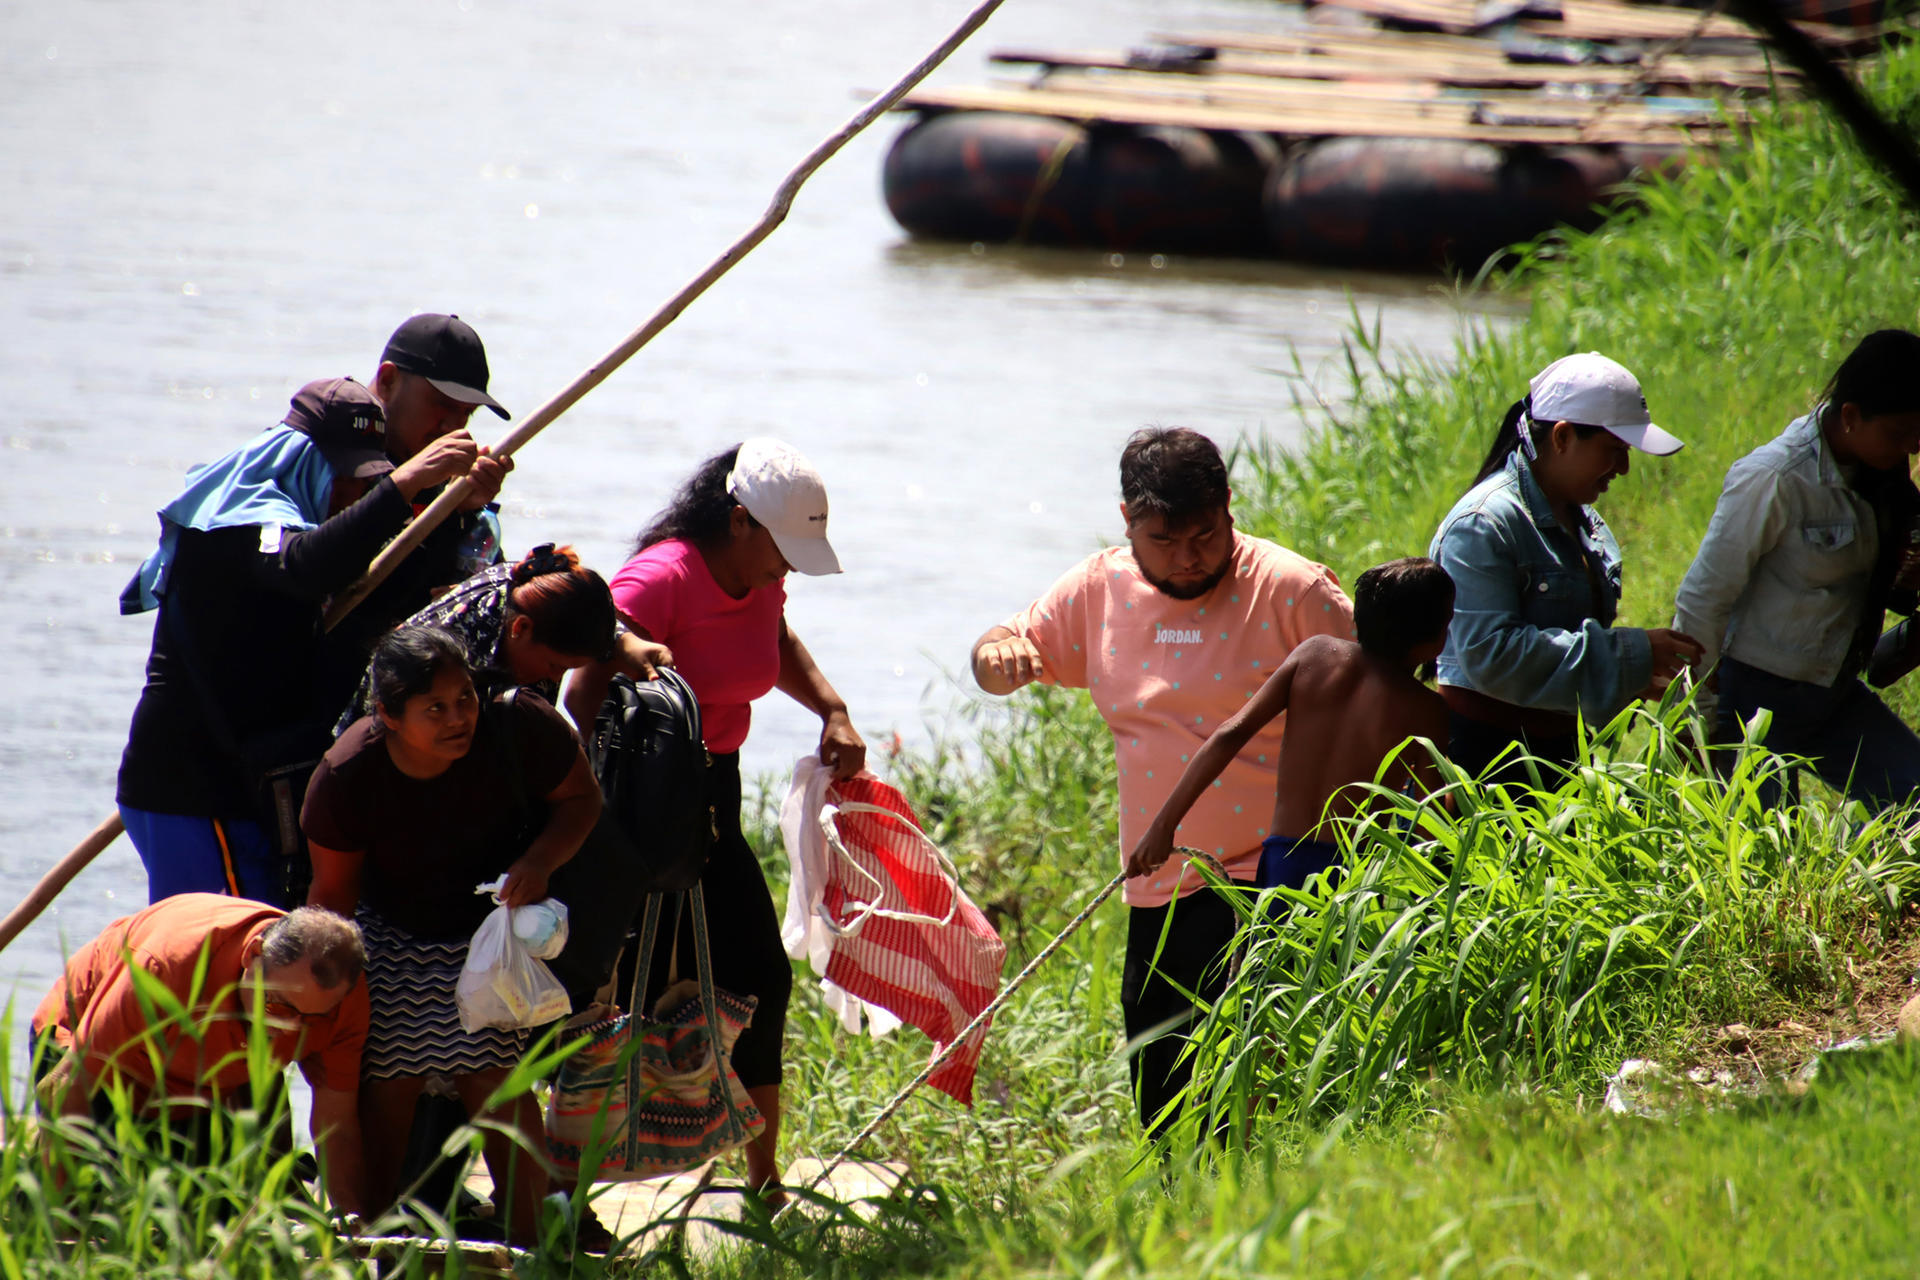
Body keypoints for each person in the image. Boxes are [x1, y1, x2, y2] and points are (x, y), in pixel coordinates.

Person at [970, 426, 1357, 1141]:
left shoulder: (1290, 589)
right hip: (1159, 882)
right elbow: (1001, 646)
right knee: (1161, 1090)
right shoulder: (1099, 587)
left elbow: (1376, 692)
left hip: (1273, 875)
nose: (1188, 559)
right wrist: (998, 657)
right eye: (1164, 541)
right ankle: (1184, 1220)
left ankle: (1258, 1211)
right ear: (1127, 523)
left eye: (1206, 537)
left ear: (1230, 507)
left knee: (1254, 1088)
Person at [117, 313, 514, 907]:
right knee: (210, 972)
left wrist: (451, 514)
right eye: (348, 477)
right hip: (192, 783)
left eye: (367, 481)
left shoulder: (310, 517)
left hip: (248, 783)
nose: (353, 493)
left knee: (251, 964)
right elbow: (307, 567)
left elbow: (376, 598)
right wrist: (402, 487)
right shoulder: (250, 511)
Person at [563, 437, 866, 1200]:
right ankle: (569, 1190)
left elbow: (774, 636)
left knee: (758, 976)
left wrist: (831, 708)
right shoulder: (663, 576)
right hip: (638, 804)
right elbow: (581, 688)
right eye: (782, 548)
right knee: (617, 998)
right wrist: (595, 810)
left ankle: (763, 1184)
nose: (788, 567)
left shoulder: (761, 579)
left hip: (714, 798)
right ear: (738, 520)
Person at [302, 626, 602, 1245]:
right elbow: (331, 902)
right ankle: (380, 1245)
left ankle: (532, 1249)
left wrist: (541, 862)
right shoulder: (346, 776)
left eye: (464, 698)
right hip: (389, 934)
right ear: (386, 714)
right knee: (388, 1087)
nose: (457, 718)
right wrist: (331, 1005)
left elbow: (582, 800)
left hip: (492, 930)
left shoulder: (518, 725)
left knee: (496, 1084)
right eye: (433, 708)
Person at [1673, 329, 1920, 809]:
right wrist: (1697, 724)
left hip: (1833, 691)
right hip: (1750, 703)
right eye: (1899, 434)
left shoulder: (1882, 478)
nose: (1911, 450)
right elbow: (1703, 599)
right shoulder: (1774, 478)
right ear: (1849, 416)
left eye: (1919, 435)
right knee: (1763, 851)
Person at [1428, 353, 1701, 783]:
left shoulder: (1586, 523)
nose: (1625, 469)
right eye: (1614, 450)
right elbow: (1491, 655)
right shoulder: (1483, 524)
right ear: (1562, 436)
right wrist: (1630, 654)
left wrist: (1631, 677)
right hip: (1483, 767)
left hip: (1559, 758)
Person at [1128, 557, 1454, 894]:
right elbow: (1430, 823)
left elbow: (1230, 734)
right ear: (1434, 637)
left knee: (1270, 945)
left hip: (1282, 859)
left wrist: (1162, 826)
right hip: (1351, 879)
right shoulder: (1427, 709)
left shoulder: (1313, 656)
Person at [32, 895, 369, 1217]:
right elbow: (65, 1087)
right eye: (277, 1006)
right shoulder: (165, 965)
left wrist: (355, 1236)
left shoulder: (342, 1001)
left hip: (192, 1088)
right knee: (97, 1203)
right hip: (84, 1056)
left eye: (312, 1019)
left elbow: (336, 1127)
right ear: (253, 955)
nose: (291, 1029)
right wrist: (62, 1220)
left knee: (215, 1209)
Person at [332, 542, 670, 738]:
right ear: (520, 628)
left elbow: (576, 624)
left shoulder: (527, 591)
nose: (555, 678)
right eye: (555, 666)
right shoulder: (451, 653)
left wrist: (625, 640)